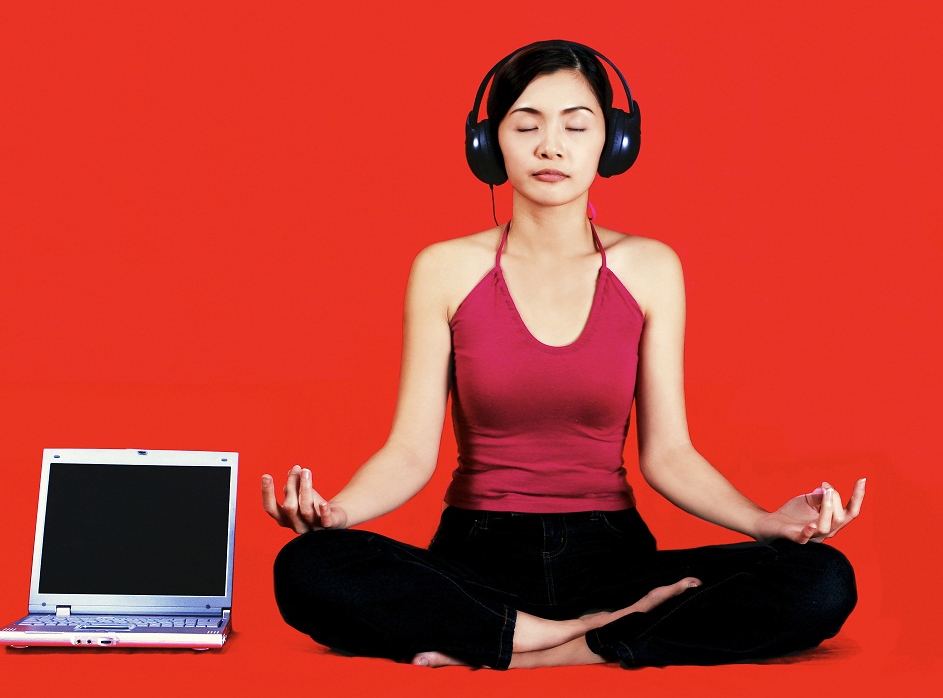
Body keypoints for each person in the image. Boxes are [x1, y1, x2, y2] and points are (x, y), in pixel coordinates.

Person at [261, 40, 864, 669]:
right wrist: (336, 513)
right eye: (526, 126)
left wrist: (766, 523)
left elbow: (669, 453)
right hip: (476, 559)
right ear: (490, 144)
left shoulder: (650, 267)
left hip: (614, 563)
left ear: (614, 142)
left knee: (821, 578)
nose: (552, 146)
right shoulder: (443, 268)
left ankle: (537, 645)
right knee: (308, 565)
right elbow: (411, 451)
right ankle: (574, 637)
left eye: (577, 126)